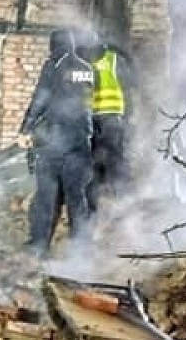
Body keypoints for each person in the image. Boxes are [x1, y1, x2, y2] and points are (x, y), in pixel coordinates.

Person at [19, 28, 97, 256]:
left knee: (46, 195)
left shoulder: (53, 66)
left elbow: (40, 98)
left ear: (54, 45)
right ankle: (81, 249)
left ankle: (38, 245)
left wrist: (25, 129)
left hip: (55, 141)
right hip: (81, 141)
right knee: (77, 196)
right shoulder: (86, 69)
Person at [84, 31, 134, 202]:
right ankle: (122, 197)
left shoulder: (82, 61)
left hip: (91, 116)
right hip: (112, 114)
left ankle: (97, 199)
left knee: (94, 156)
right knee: (115, 155)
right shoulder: (113, 59)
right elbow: (129, 84)